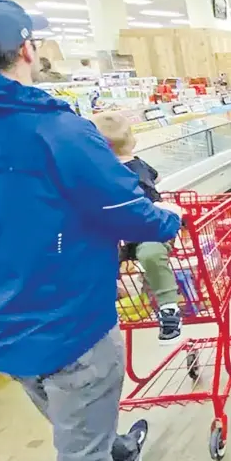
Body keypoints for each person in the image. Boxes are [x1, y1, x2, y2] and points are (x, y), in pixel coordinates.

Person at [0, 0, 182, 461]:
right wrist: (169, 220)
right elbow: (124, 208)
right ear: (27, 49)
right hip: (69, 322)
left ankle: (122, 451)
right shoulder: (55, 129)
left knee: (74, 421)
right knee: (78, 451)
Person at [92, 112, 182, 344]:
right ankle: (115, 297)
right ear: (133, 141)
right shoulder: (136, 166)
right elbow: (158, 179)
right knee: (148, 255)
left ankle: (169, 309)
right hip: (133, 231)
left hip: (148, 230)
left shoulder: (110, 171)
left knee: (149, 252)